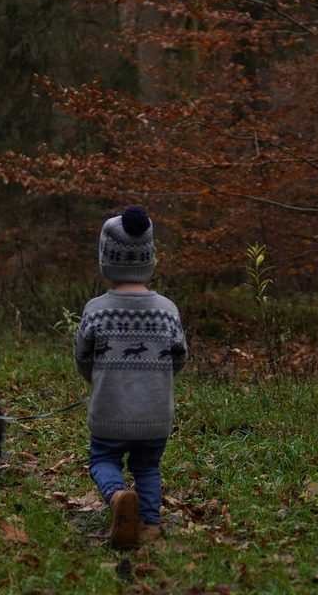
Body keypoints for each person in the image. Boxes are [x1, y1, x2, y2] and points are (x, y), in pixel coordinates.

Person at [74, 205, 188, 548]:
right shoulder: (167, 310)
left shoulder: (96, 309)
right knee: (148, 467)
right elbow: (179, 357)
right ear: (148, 257)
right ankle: (150, 525)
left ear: (106, 258)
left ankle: (118, 496)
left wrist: (98, 381)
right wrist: (158, 382)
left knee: (103, 459)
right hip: (154, 416)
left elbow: (82, 358)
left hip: (110, 413)